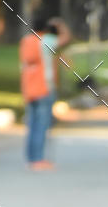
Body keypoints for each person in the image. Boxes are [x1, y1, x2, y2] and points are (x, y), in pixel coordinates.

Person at [19, 15, 71, 169]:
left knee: (32, 125)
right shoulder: (46, 40)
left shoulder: (26, 41)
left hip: (29, 89)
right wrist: (60, 25)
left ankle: (32, 158)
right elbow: (66, 38)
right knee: (42, 126)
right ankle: (39, 160)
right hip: (44, 88)